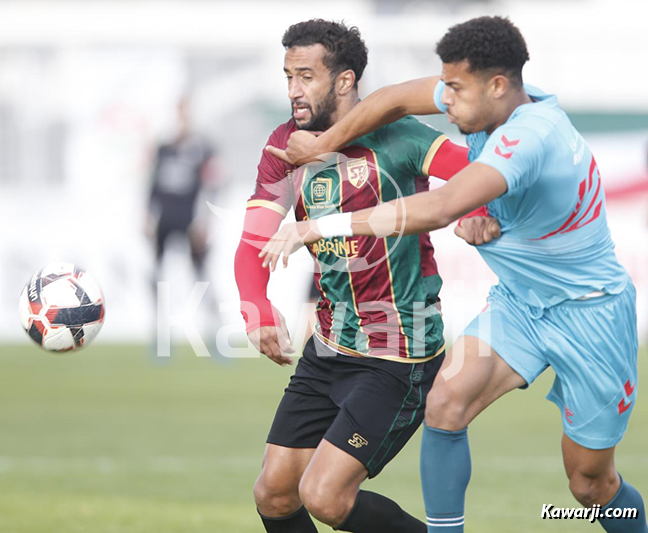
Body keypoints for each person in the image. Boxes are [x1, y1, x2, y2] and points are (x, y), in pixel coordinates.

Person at [261, 16, 647, 533]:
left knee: (590, 485)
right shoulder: (495, 99)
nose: (447, 102)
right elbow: (395, 98)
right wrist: (326, 140)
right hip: (520, 306)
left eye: (457, 91)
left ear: (498, 86)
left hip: (590, 314)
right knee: (445, 401)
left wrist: (321, 226)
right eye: (446, 87)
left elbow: (440, 206)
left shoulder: (530, 136)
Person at [234, 19, 498, 533]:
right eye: (288, 76)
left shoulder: (399, 137)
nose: (293, 90)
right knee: (275, 493)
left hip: (398, 355)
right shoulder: (285, 146)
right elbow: (253, 240)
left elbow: (480, 172)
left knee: (325, 497)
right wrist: (257, 307)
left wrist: (475, 206)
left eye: (305, 76)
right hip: (331, 345)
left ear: (345, 80)